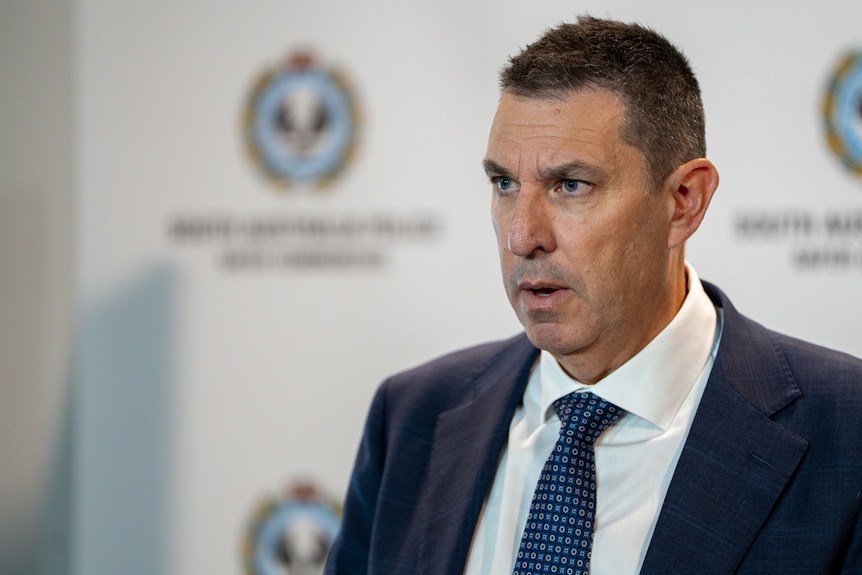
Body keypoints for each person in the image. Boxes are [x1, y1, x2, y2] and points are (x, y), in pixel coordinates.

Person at [324, 16, 862, 575]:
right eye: (504, 183)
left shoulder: (846, 430)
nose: (521, 236)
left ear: (684, 201)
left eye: (570, 185)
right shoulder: (412, 416)